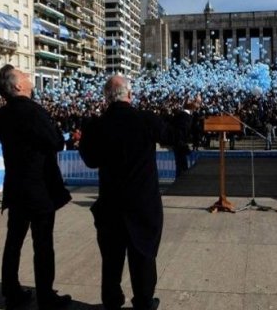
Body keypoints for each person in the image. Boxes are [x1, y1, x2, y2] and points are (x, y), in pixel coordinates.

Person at [79, 75, 198, 310]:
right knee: (143, 256)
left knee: (111, 258)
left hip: (110, 204)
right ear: (130, 95)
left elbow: (90, 160)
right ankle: (143, 301)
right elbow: (175, 136)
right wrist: (186, 111)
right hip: (142, 204)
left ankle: (111, 301)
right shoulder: (145, 119)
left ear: (106, 98)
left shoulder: (96, 124)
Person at [0, 65, 72, 310]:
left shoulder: (2, 115)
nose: (27, 76)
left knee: (13, 240)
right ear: (17, 86)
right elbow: (56, 141)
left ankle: (10, 290)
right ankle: (46, 296)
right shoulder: (33, 111)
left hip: (16, 186)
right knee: (43, 244)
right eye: (23, 75)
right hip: (39, 188)